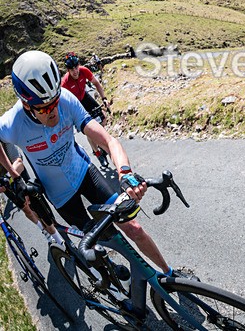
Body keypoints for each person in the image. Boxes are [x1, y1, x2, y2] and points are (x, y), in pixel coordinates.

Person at [0, 50, 179, 281]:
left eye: (54, 102)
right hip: (60, 194)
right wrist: (13, 174)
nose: (53, 112)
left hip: (84, 172)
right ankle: (108, 270)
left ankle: (170, 276)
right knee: (100, 243)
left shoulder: (65, 99)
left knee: (132, 227)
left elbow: (109, 141)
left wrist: (125, 173)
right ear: (26, 104)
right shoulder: (13, 123)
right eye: (44, 108)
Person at [61, 52, 112, 167]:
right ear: (68, 70)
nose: (75, 71)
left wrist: (104, 99)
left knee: (103, 118)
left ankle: (99, 141)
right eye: (71, 69)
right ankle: (98, 153)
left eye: (76, 67)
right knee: (89, 130)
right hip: (75, 104)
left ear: (79, 65)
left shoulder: (84, 71)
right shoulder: (65, 83)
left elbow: (97, 84)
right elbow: (63, 103)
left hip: (84, 96)